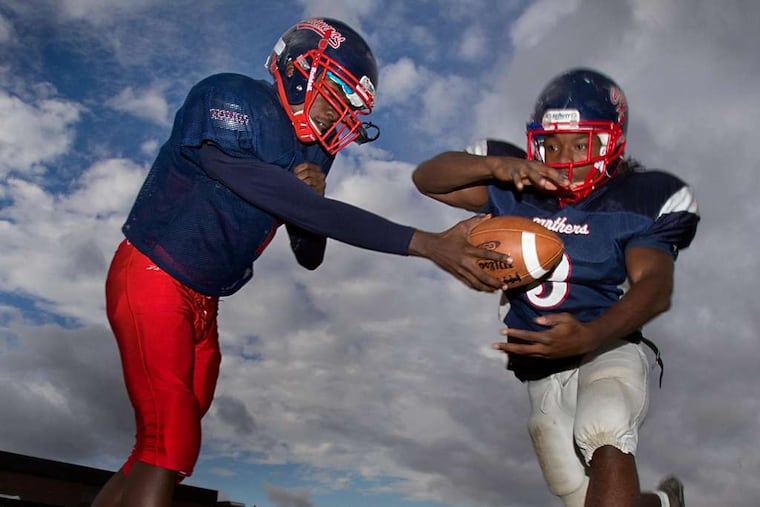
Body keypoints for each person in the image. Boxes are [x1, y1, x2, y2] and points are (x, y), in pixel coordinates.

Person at [91, 17, 511, 507]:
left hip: (204, 302)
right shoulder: (230, 99)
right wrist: (426, 243)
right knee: (172, 441)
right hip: (152, 277)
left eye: (353, 105)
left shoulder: (313, 149)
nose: (341, 113)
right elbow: (293, 203)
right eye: (338, 91)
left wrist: (308, 203)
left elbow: (308, 253)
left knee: (158, 443)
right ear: (297, 68)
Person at [412, 68, 699, 507]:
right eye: (552, 143)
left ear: (611, 143)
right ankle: (662, 503)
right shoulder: (515, 183)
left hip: (606, 343)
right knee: (579, 495)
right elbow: (428, 178)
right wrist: (494, 166)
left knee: (604, 427)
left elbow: (655, 286)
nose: (565, 155)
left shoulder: (636, 198)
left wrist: (589, 335)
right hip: (539, 369)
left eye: (581, 142)